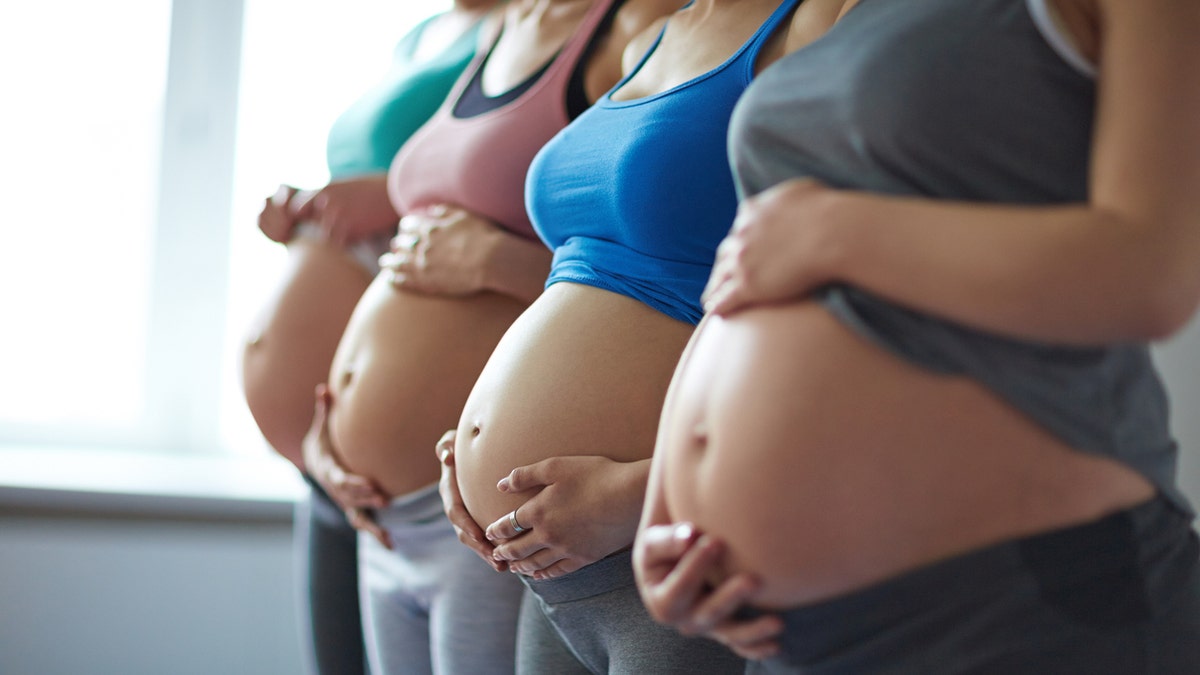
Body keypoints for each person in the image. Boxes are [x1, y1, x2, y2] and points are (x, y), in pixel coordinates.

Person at [633, 0, 1200, 672]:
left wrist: (834, 232)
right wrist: (663, 512)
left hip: (1018, 604)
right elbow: (749, 270)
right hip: (785, 629)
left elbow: (1149, 275)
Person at [433, 0, 851, 671]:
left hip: (668, 546)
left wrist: (645, 492)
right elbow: (580, 287)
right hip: (546, 572)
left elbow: (850, 325)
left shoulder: (824, 21)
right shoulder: (649, 41)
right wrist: (476, 439)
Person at [301, 0, 686, 672]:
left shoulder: (634, 33)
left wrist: (488, 260)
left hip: (512, 513)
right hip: (395, 506)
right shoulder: (504, 33)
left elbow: (623, 270)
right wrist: (330, 428)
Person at [240, 4, 496, 673]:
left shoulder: (525, 29)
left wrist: (391, 195)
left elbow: (492, 183)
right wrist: (307, 208)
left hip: (417, 469)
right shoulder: (417, 36)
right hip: (326, 454)